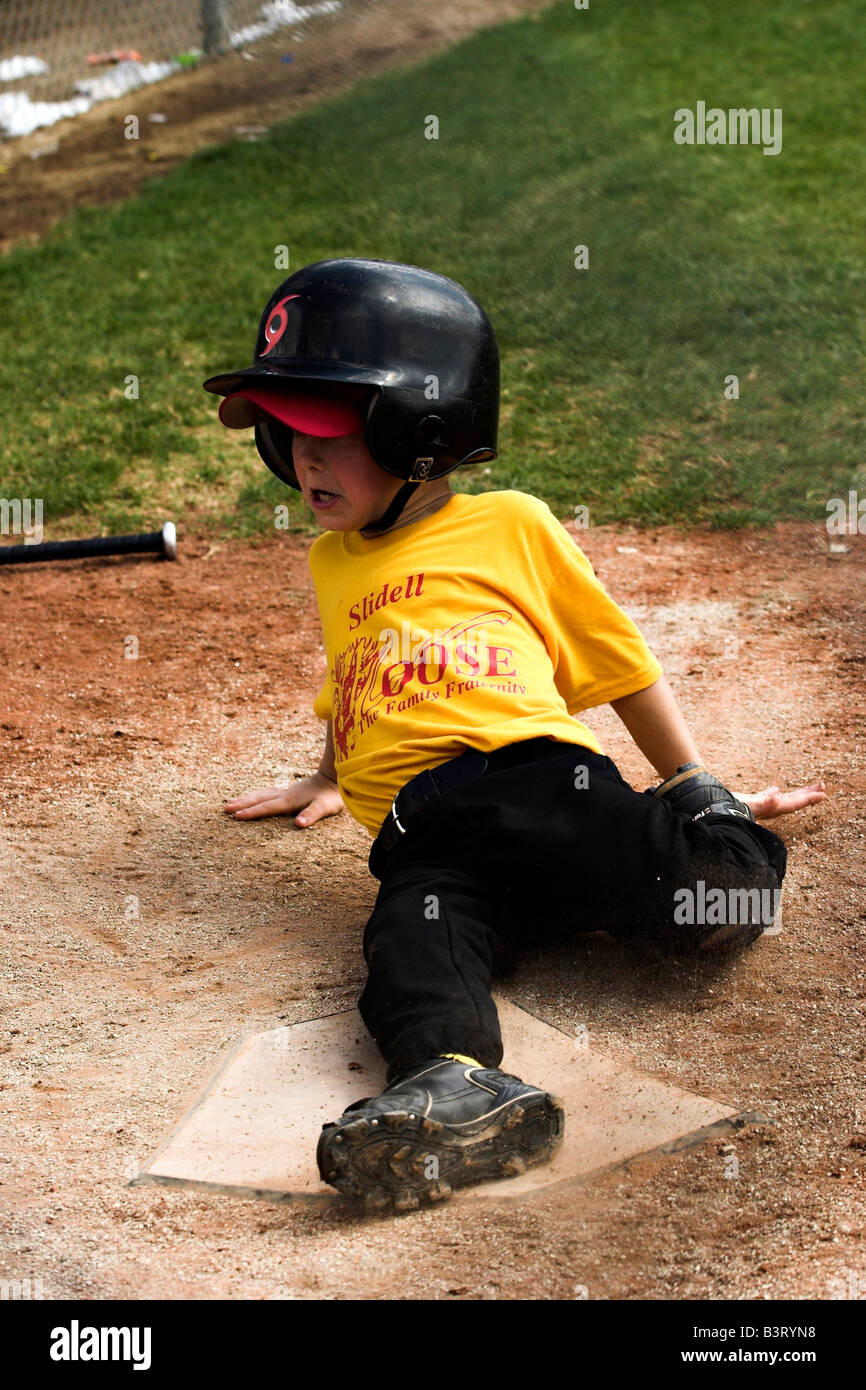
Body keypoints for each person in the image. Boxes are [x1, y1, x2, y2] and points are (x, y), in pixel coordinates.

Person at [204, 257, 826, 1212]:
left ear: (424, 433)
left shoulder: (511, 526)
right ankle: (458, 1087)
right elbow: (357, 669)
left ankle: (728, 842)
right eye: (286, 436)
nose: (302, 459)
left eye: (329, 434)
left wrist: (697, 784)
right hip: (420, 836)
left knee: (714, 908)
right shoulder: (332, 561)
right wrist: (326, 773)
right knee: (409, 952)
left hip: (538, 785)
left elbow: (618, 663)